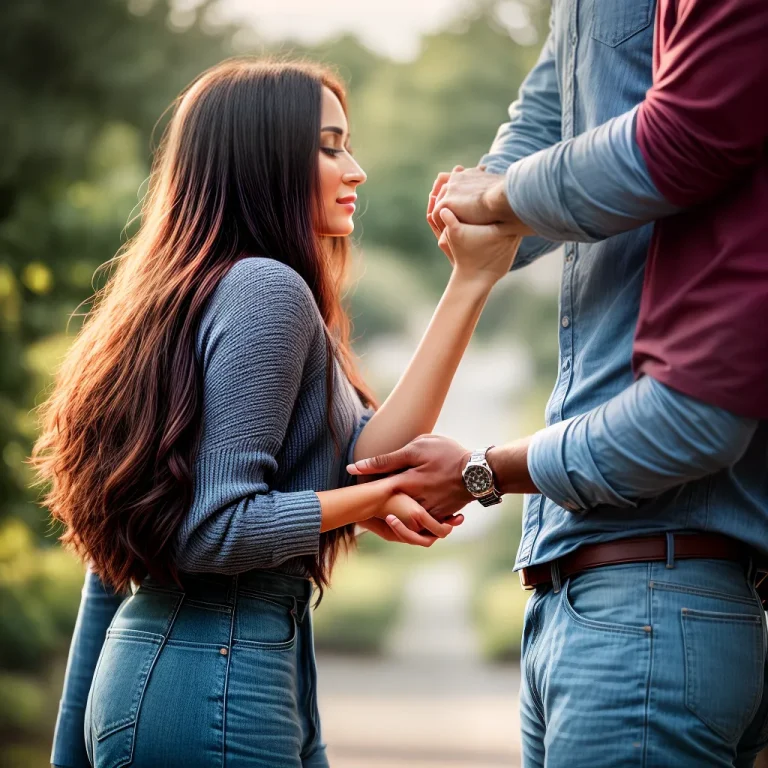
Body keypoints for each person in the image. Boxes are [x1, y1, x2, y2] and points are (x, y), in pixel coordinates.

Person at [34, 58, 521, 768]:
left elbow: (368, 452)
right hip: (215, 679)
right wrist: (376, 498)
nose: (355, 169)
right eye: (328, 147)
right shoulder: (265, 291)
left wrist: (471, 281)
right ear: (262, 157)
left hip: (176, 675)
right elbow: (215, 528)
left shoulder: (193, 298)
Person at [349, 1, 768, 765]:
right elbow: (547, 110)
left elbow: (680, 139)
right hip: (585, 600)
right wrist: (487, 215)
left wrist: (479, 471)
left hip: (654, 593)